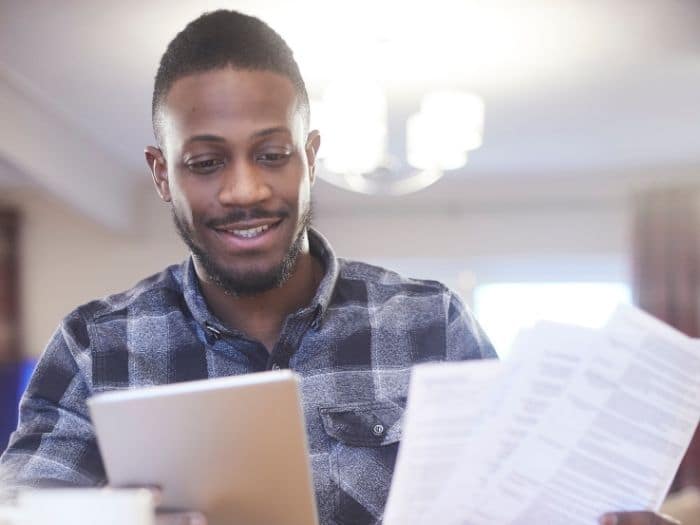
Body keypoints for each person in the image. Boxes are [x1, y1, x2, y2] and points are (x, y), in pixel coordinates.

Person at [0, 10, 682, 525]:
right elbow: (29, 510)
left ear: (311, 154)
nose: (244, 191)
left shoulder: (429, 322)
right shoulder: (96, 346)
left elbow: (505, 507)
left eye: (271, 153)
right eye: (206, 163)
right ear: (160, 173)